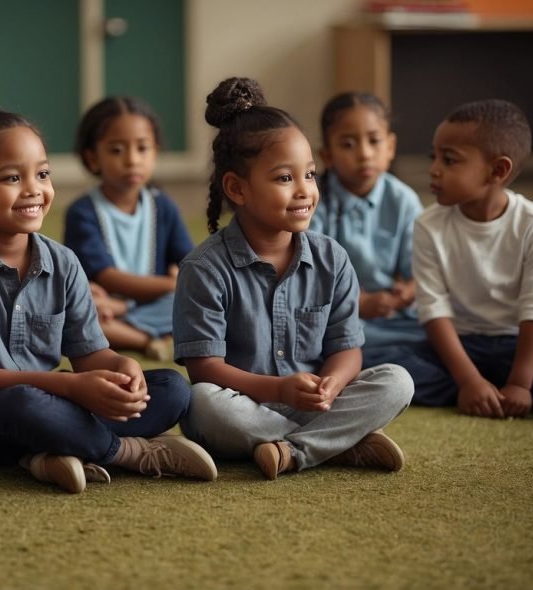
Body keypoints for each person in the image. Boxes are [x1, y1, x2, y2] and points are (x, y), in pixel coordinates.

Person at [0, 107, 217, 494]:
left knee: (172, 389)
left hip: (56, 400)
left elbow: (90, 357)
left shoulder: (63, 263)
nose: (33, 189)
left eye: (42, 174)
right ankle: (128, 453)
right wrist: (72, 388)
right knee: (25, 405)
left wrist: (121, 365)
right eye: (12, 177)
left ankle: (49, 455)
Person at [173, 77, 413, 480]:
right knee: (200, 402)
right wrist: (279, 390)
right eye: (285, 178)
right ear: (237, 188)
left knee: (397, 381)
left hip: (315, 401)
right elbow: (205, 370)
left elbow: (347, 349)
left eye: (311, 175)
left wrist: (331, 386)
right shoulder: (205, 268)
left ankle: (295, 449)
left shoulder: (332, 258)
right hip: (242, 404)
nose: (304, 191)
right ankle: (336, 444)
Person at [410, 99, 533, 419]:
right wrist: (469, 379)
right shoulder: (428, 225)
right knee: (379, 360)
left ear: (497, 170)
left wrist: (520, 384)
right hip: (465, 344)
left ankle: (525, 395)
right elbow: (434, 311)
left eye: (449, 160)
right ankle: (475, 390)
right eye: (434, 157)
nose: (434, 169)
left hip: (529, 346)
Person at [64, 96, 194, 362]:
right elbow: (107, 276)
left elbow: (190, 264)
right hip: (104, 307)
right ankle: (151, 339)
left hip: (151, 304)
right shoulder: (83, 212)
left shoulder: (162, 206)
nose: (132, 160)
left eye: (142, 148)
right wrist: (171, 282)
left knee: (199, 297)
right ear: (92, 158)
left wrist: (179, 282)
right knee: (72, 316)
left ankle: (147, 332)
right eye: (116, 150)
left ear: (155, 152)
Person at [310, 92, 426, 368]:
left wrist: (407, 292)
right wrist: (358, 303)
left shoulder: (403, 200)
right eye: (348, 144)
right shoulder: (315, 202)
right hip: (337, 320)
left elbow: (424, 271)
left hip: (395, 320)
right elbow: (309, 278)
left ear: (390, 146)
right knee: (315, 342)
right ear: (327, 155)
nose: (364, 154)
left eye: (374, 141)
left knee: (449, 336)